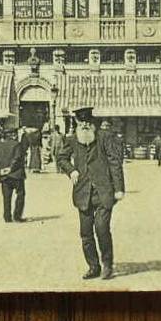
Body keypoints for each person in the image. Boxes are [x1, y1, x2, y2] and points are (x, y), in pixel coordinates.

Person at [56, 107, 125, 281]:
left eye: (88, 122)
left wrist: (118, 188)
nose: (85, 126)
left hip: (103, 192)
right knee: (86, 233)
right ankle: (93, 266)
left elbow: (114, 162)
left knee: (102, 229)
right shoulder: (71, 140)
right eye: (82, 123)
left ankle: (107, 264)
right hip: (82, 193)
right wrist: (71, 171)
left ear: (92, 122)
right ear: (77, 123)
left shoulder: (104, 137)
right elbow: (61, 158)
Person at [0, 127, 26, 222]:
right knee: (20, 194)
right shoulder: (17, 145)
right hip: (16, 174)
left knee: (6, 197)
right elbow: (17, 158)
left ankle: (7, 217)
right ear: (12, 135)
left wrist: (0, 170)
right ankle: (17, 216)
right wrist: (10, 168)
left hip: (4, 177)